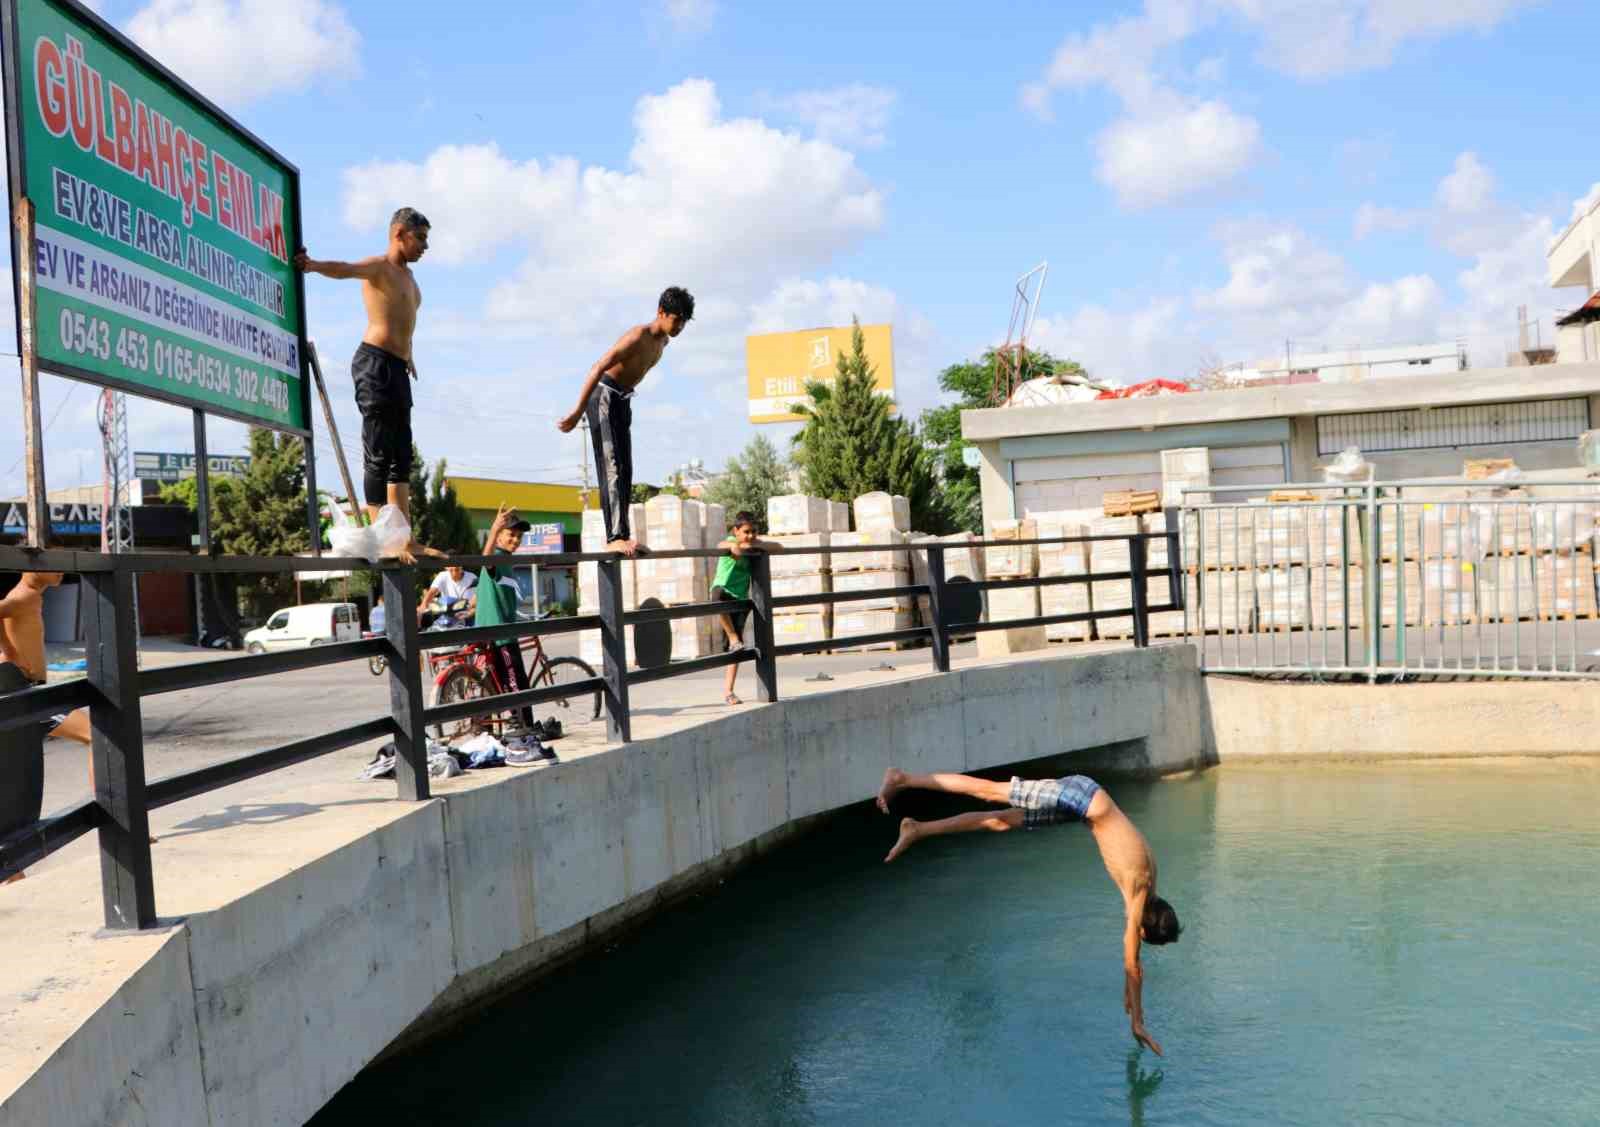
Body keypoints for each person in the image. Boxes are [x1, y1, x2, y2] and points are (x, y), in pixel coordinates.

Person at [875, 767, 1181, 1055]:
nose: (1136, 935)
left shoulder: (1151, 878)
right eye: (1142, 935)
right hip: (1082, 796)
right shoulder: (1140, 887)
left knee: (1000, 821)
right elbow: (1132, 962)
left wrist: (1129, 992)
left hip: (1085, 808)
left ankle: (918, 829)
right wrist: (1137, 1020)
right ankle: (902, 778)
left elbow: (1132, 962)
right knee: (990, 792)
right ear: (1143, 928)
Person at [295, 207, 440, 564]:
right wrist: (312, 265)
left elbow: (404, 324)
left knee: (401, 457)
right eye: (419, 238)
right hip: (373, 363)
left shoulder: (412, 283)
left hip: (397, 368)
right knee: (378, 453)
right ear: (399, 234)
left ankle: (405, 539)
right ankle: (381, 540)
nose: (424, 246)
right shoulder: (379, 267)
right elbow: (343, 269)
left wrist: (409, 355)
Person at [556, 287, 695, 556]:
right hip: (604, 395)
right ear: (661, 313)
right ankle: (614, 537)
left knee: (626, 470)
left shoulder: (663, 342)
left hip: (623, 400)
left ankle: (624, 534)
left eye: (684, 322)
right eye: (676, 319)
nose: (679, 326)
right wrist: (577, 411)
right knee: (613, 466)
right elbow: (598, 367)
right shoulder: (637, 336)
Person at [0, 573, 93, 885]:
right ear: (30, 568)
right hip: (30, 698)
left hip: (33, 694)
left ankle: (12, 873)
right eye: (51, 563)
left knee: (16, 783)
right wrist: (8, 657)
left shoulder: (31, 597)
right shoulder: (22, 596)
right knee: (98, 735)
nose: (60, 571)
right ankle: (118, 813)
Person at [475, 505, 554, 759]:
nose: (515, 540)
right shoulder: (497, 556)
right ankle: (523, 728)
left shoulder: (507, 561)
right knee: (516, 682)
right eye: (510, 535)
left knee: (508, 681)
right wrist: (496, 527)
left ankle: (518, 727)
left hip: (504, 629)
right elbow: (485, 559)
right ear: (499, 536)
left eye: (519, 537)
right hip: (500, 635)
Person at [710, 512, 783, 706]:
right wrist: (735, 545)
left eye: (753, 532)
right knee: (716, 599)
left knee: (736, 649)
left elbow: (778, 546)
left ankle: (728, 691)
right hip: (723, 590)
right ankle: (732, 635)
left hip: (741, 596)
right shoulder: (730, 542)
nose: (750, 535)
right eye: (745, 532)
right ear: (736, 531)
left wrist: (756, 544)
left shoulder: (753, 544)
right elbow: (721, 546)